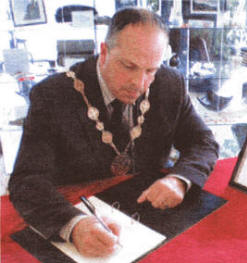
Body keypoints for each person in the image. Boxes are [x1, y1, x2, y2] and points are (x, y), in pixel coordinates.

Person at [9, 7, 219, 257]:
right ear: (105, 52)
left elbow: (203, 142)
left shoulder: (170, 84)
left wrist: (179, 179)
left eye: (150, 70)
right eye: (129, 66)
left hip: (152, 224)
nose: (139, 84)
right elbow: (27, 181)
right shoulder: (52, 96)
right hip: (81, 217)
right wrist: (74, 225)